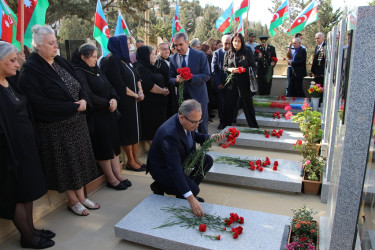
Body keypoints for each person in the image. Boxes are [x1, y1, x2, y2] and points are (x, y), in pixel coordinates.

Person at [18, 25, 100, 216]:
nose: (56, 46)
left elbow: (78, 84)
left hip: (76, 123)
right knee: (66, 166)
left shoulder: (59, 61)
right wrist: (73, 106)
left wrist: (84, 101)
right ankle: (72, 200)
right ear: (38, 46)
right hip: (55, 127)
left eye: (56, 42)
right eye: (51, 43)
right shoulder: (31, 71)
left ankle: (81, 196)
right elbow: (39, 103)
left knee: (78, 163)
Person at [0, 41, 55, 248]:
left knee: (28, 190)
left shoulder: (11, 82)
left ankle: (31, 228)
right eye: (12, 60)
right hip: (9, 152)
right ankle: (27, 236)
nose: (17, 64)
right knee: (17, 193)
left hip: (27, 146)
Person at [147, 99, 225, 217]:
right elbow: (174, 169)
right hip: (163, 168)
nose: (197, 125)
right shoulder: (169, 134)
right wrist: (191, 198)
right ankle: (160, 185)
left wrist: (210, 138)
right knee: (193, 191)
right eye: (194, 122)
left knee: (207, 161)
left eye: (199, 121)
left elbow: (194, 134)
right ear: (182, 117)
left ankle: (181, 191)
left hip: (180, 157)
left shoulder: (186, 120)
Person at [72, 43, 132, 191]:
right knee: (104, 146)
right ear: (83, 57)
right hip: (97, 115)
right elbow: (88, 94)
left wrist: (114, 99)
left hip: (109, 111)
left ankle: (118, 174)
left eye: (96, 56)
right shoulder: (80, 72)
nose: (95, 59)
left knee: (112, 144)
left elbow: (110, 86)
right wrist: (107, 103)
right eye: (92, 57)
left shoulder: (95, 69)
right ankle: (111, 179)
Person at [100, 35, 146, 172]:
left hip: (134, 101)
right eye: (126, 43)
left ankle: (136, 159)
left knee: (136, 131)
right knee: (128, 131)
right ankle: (131, 161)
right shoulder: (111, 60)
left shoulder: (125, 60)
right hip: (125, 102)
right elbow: (118, 84)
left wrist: (140, 90)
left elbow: (136, 77)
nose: (129, 45)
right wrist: (135, 95)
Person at [169, 32, 210, 134]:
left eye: (181, 44)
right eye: (176, 45)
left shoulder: (200, 55)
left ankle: (203, 147)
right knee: (186, 126)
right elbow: (169, 78)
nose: (178, 48)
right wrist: (176, 80)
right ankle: (189, 148)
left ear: (187, 42)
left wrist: (191, 77)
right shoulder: (173, 58)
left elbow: (207, 75)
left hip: (199, 96)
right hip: (183, 98)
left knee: (201, 124)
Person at [223, 32, 258, 128]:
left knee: (247, 104)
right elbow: (224, 67)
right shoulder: (228, 53)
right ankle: (226, 126)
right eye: (235, 41)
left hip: (245, 82)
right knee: (230, 104)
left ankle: (253, 125)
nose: (236, 43)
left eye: (238, 41)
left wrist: (243, 70)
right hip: (232, 82)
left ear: (242, 42)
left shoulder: (247, 51)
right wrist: (230, 69)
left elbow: (253, 67)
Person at [135, 45, 169, 145]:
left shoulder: (150, 66)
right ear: (145, 55)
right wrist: (163, 91)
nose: (155, 56)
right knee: (152, 129)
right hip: (150, 105)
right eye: (152, 54)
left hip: (158, 104)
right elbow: (149, 85)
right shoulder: (140, 68)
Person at [212, 34, 231, 129]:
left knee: (231, 104)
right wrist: (218, 83)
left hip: (232, 85)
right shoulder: (217, 53)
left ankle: (231, 120)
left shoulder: (235, 53)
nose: (227, 46)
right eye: (225, 43)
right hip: (221, 84)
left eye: (229, 43)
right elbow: (214, 70)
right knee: (221, 104)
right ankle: (222, 121)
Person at [155, 42, 178, 118]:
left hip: (172, 91)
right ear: (158, 51)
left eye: (168, 49)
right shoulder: (157, 62)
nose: (167, 51)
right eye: (164, 49)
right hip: (164, 93)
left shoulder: (171, 60)